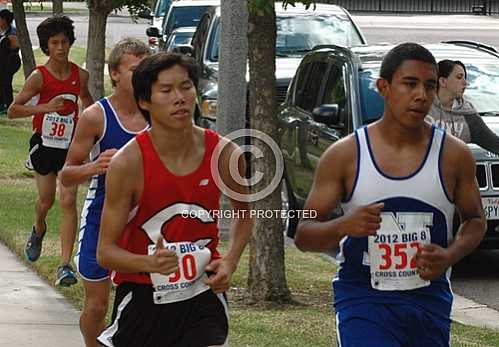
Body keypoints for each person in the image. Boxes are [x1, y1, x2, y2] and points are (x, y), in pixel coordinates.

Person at [294, 43, 486, 346]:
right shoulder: (345, 155)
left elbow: (475, 220)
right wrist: (343, 226)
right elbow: (303, 234)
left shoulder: (454, 155)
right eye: (409, 84)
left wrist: (450, 255)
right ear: (384, 87)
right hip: (363, 301)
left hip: (428, 303)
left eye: (429, 85)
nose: (421, 95)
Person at [96, 52, 254, 346]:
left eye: (186, 87)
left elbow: (244, 215)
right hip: (144, 296)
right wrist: (149, 262)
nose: (180, 98)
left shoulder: (225, 154)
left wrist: (230, 261)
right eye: (166, 91)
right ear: (144, 101)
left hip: (202, 294)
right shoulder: (127, 164)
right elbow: (105, 252)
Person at [59, 38, 150, 347]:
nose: (142, 76)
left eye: (146, 69)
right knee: (97, 306)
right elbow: (67, 174)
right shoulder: (96, 116)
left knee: (140, 308)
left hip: (145, 224)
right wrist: (94, 166)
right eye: (135, 70)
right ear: (114, 73)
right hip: (100, 219)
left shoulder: (158, 115)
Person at [7, 15, 93, 286]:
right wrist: (45, 108)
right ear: (46, 46)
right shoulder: (38, 77)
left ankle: (65, 265)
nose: (60, 48)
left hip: (71, 148)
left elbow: (90, 106)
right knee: (46, 202)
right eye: (54, 43)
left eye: (64, 42)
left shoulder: (81, 75)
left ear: (70, 42)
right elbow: (12, 110)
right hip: (45, 146)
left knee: (68, 201)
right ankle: (38, 228)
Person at [426, 59, 499, 154]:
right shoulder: (422, 107)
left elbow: (495, 144)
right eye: (459, 77)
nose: (465, 83)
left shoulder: (468, 115)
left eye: (465, 78)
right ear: (443, 81)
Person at [0, 9, 21, 114]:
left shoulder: (12, 33)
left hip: (11, 62)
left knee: (6, 82)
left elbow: (15, 48)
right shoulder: (2, 30)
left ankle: (9, 106)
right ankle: (2, 104)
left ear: (4, 20)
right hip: (2, 62)